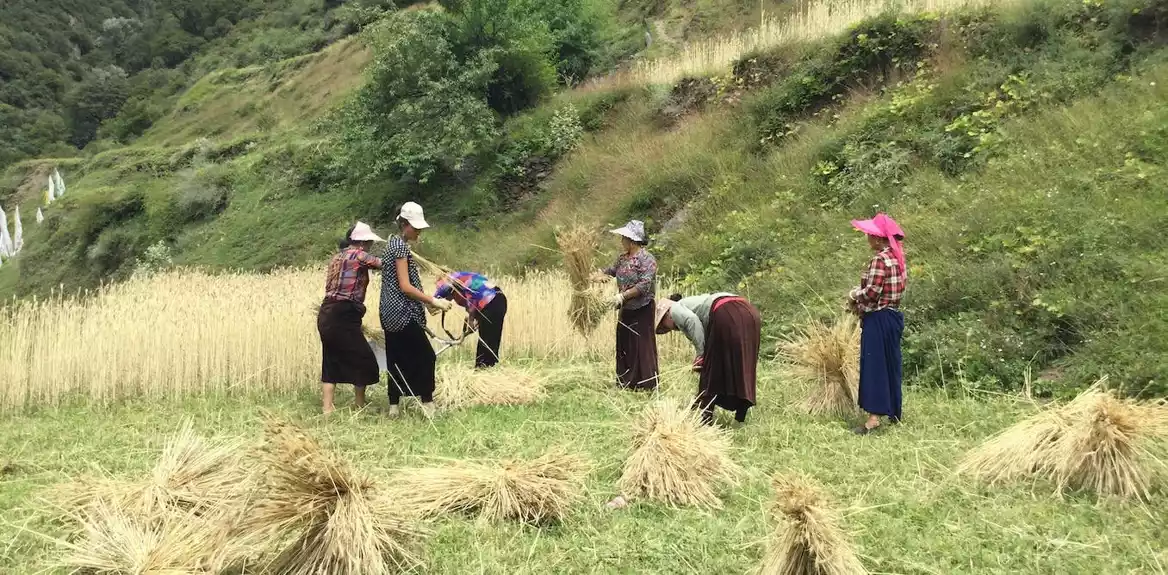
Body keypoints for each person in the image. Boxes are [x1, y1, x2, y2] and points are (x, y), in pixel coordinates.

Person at [379, 202, 453, 418]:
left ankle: (394, 405)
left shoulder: (392, 244)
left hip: (388, 311)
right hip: (402, 312)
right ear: (404, 224)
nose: (418, 231)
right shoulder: (400, 248)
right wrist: (433, 300)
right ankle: (428, 403)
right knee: (426, 356)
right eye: (415, 227)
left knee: (396, 356)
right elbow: (405, 286)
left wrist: (426, 303)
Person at [655, 292, 761, 425]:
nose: (668, 329)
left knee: (711, 369)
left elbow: (691, 321)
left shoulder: (675, 309)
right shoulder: (693, 304)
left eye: (664, 326)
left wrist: (701, 355)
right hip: (749, 313)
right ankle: (738, 416)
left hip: (727, 313)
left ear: (666, 315)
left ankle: (705, 417)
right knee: (741, 365)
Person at [846, 213, 907, 435]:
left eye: (869, 235)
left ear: (878, 239)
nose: (867, 238)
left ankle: (873, 419)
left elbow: (872, 293)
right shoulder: (898, 258)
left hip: (878, 318)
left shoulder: (880, 260)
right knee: (891, 364)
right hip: (892, 317)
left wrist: (853, 295)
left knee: (875, 367)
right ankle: (893, 411)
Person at [317, 222, 384, 414]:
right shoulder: (358, 254)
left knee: (331, 358)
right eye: (369, 242)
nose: (371, 245)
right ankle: (359, 404)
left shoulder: (337, 257)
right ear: (362, 242)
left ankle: (327, 408)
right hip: (344, 314)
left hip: (327, 312)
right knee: (363, 358)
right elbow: (381, 264)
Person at [593, 220, 659, 391]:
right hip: (626, 309)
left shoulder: (647, 259)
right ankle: (625, 382)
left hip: (642, 308)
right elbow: (610, 271)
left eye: (624, 238)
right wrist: (598, 276)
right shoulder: (622, 259)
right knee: (624, 343)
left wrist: (622, 296)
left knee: (642, 344)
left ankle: (646, 383)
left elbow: (644, 284)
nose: (621, 241)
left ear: (632, 240)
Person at [434, 271, 508, 368]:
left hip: (490, 301)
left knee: (486, 340)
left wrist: (432, 300)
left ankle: (482, 368)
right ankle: (491, 366)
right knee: (492, 338)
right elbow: (474, 297)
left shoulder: (451, 278)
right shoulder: (463, 278)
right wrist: (476, 319)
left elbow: (441, 292)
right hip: (499, 299)